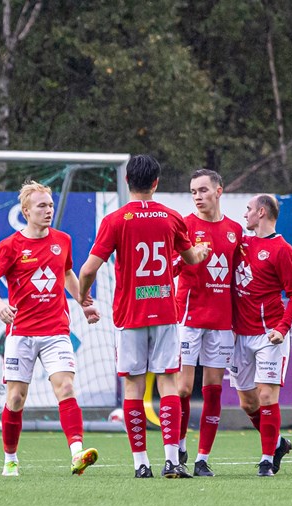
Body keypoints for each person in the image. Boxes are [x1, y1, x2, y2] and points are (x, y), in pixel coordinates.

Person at [78, 154, 211, 479]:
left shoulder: (116, 220)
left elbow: (88, 269)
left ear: (127, 181)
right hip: (165, 311)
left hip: (130, 315)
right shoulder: (171, 218)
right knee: (167, 383)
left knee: (133, 386)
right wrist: (202, 252)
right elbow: (191, 258)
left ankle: (141, 464)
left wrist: (83, 296)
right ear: (156, 183)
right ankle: (171, 459)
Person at [0, 181, 101, 477]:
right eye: (41, 206)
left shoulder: (63, 240)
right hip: (21, 333)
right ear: (26, 211)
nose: (48, 210)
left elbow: (68, 273)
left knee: (66, 387)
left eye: (49, 205)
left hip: (56, 331)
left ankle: (76, 453)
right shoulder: (10, 246)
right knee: (16, 398)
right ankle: (10, 458)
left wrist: (83, 301)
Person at [171, 169, 242, 477]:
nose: (198, 196)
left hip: (221, 321)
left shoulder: (235, 230)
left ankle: (202, 458)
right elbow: (169, 268)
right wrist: (190, 257)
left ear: (218, 191)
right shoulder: (184, 225)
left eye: (202, 190)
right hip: (188, 318)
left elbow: (241, 277)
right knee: (184, 389)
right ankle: (181, 445)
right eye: (193, 192)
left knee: (213, 390)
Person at [231, 194, 292, 477]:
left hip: (269, 335)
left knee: (265, 395)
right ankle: (277, 444)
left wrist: (282, 328)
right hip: (238, 335)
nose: (245, 215)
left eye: (248, 210)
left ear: (261, 212)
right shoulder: (240, 244)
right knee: (247, 402)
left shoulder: (282, 250)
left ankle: (266, 460)